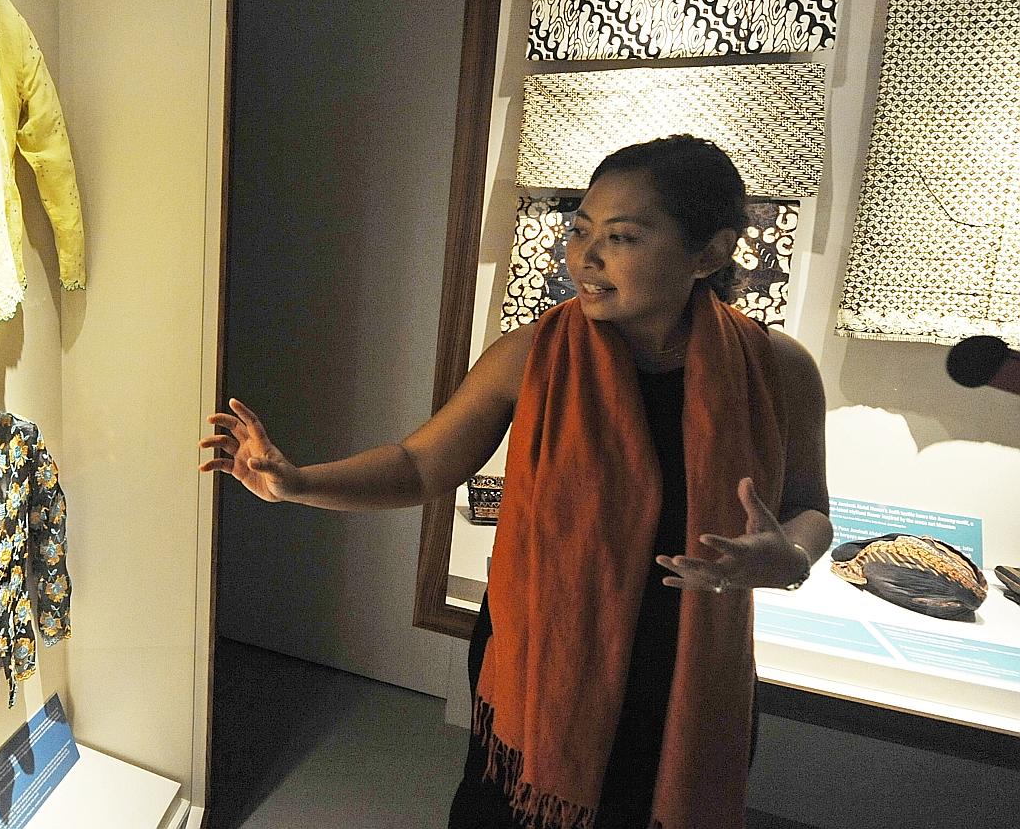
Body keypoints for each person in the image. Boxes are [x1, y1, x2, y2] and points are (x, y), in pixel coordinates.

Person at [199, 135, 832, 829]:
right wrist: (294, 482)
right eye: (580, 229)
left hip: (684, 672)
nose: (583, 258)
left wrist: (790, 557)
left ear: (708, 253)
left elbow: (808, 508)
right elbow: (420, 464)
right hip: (547, 665)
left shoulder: (777, 368)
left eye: (620, 236)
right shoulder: (533, 354)